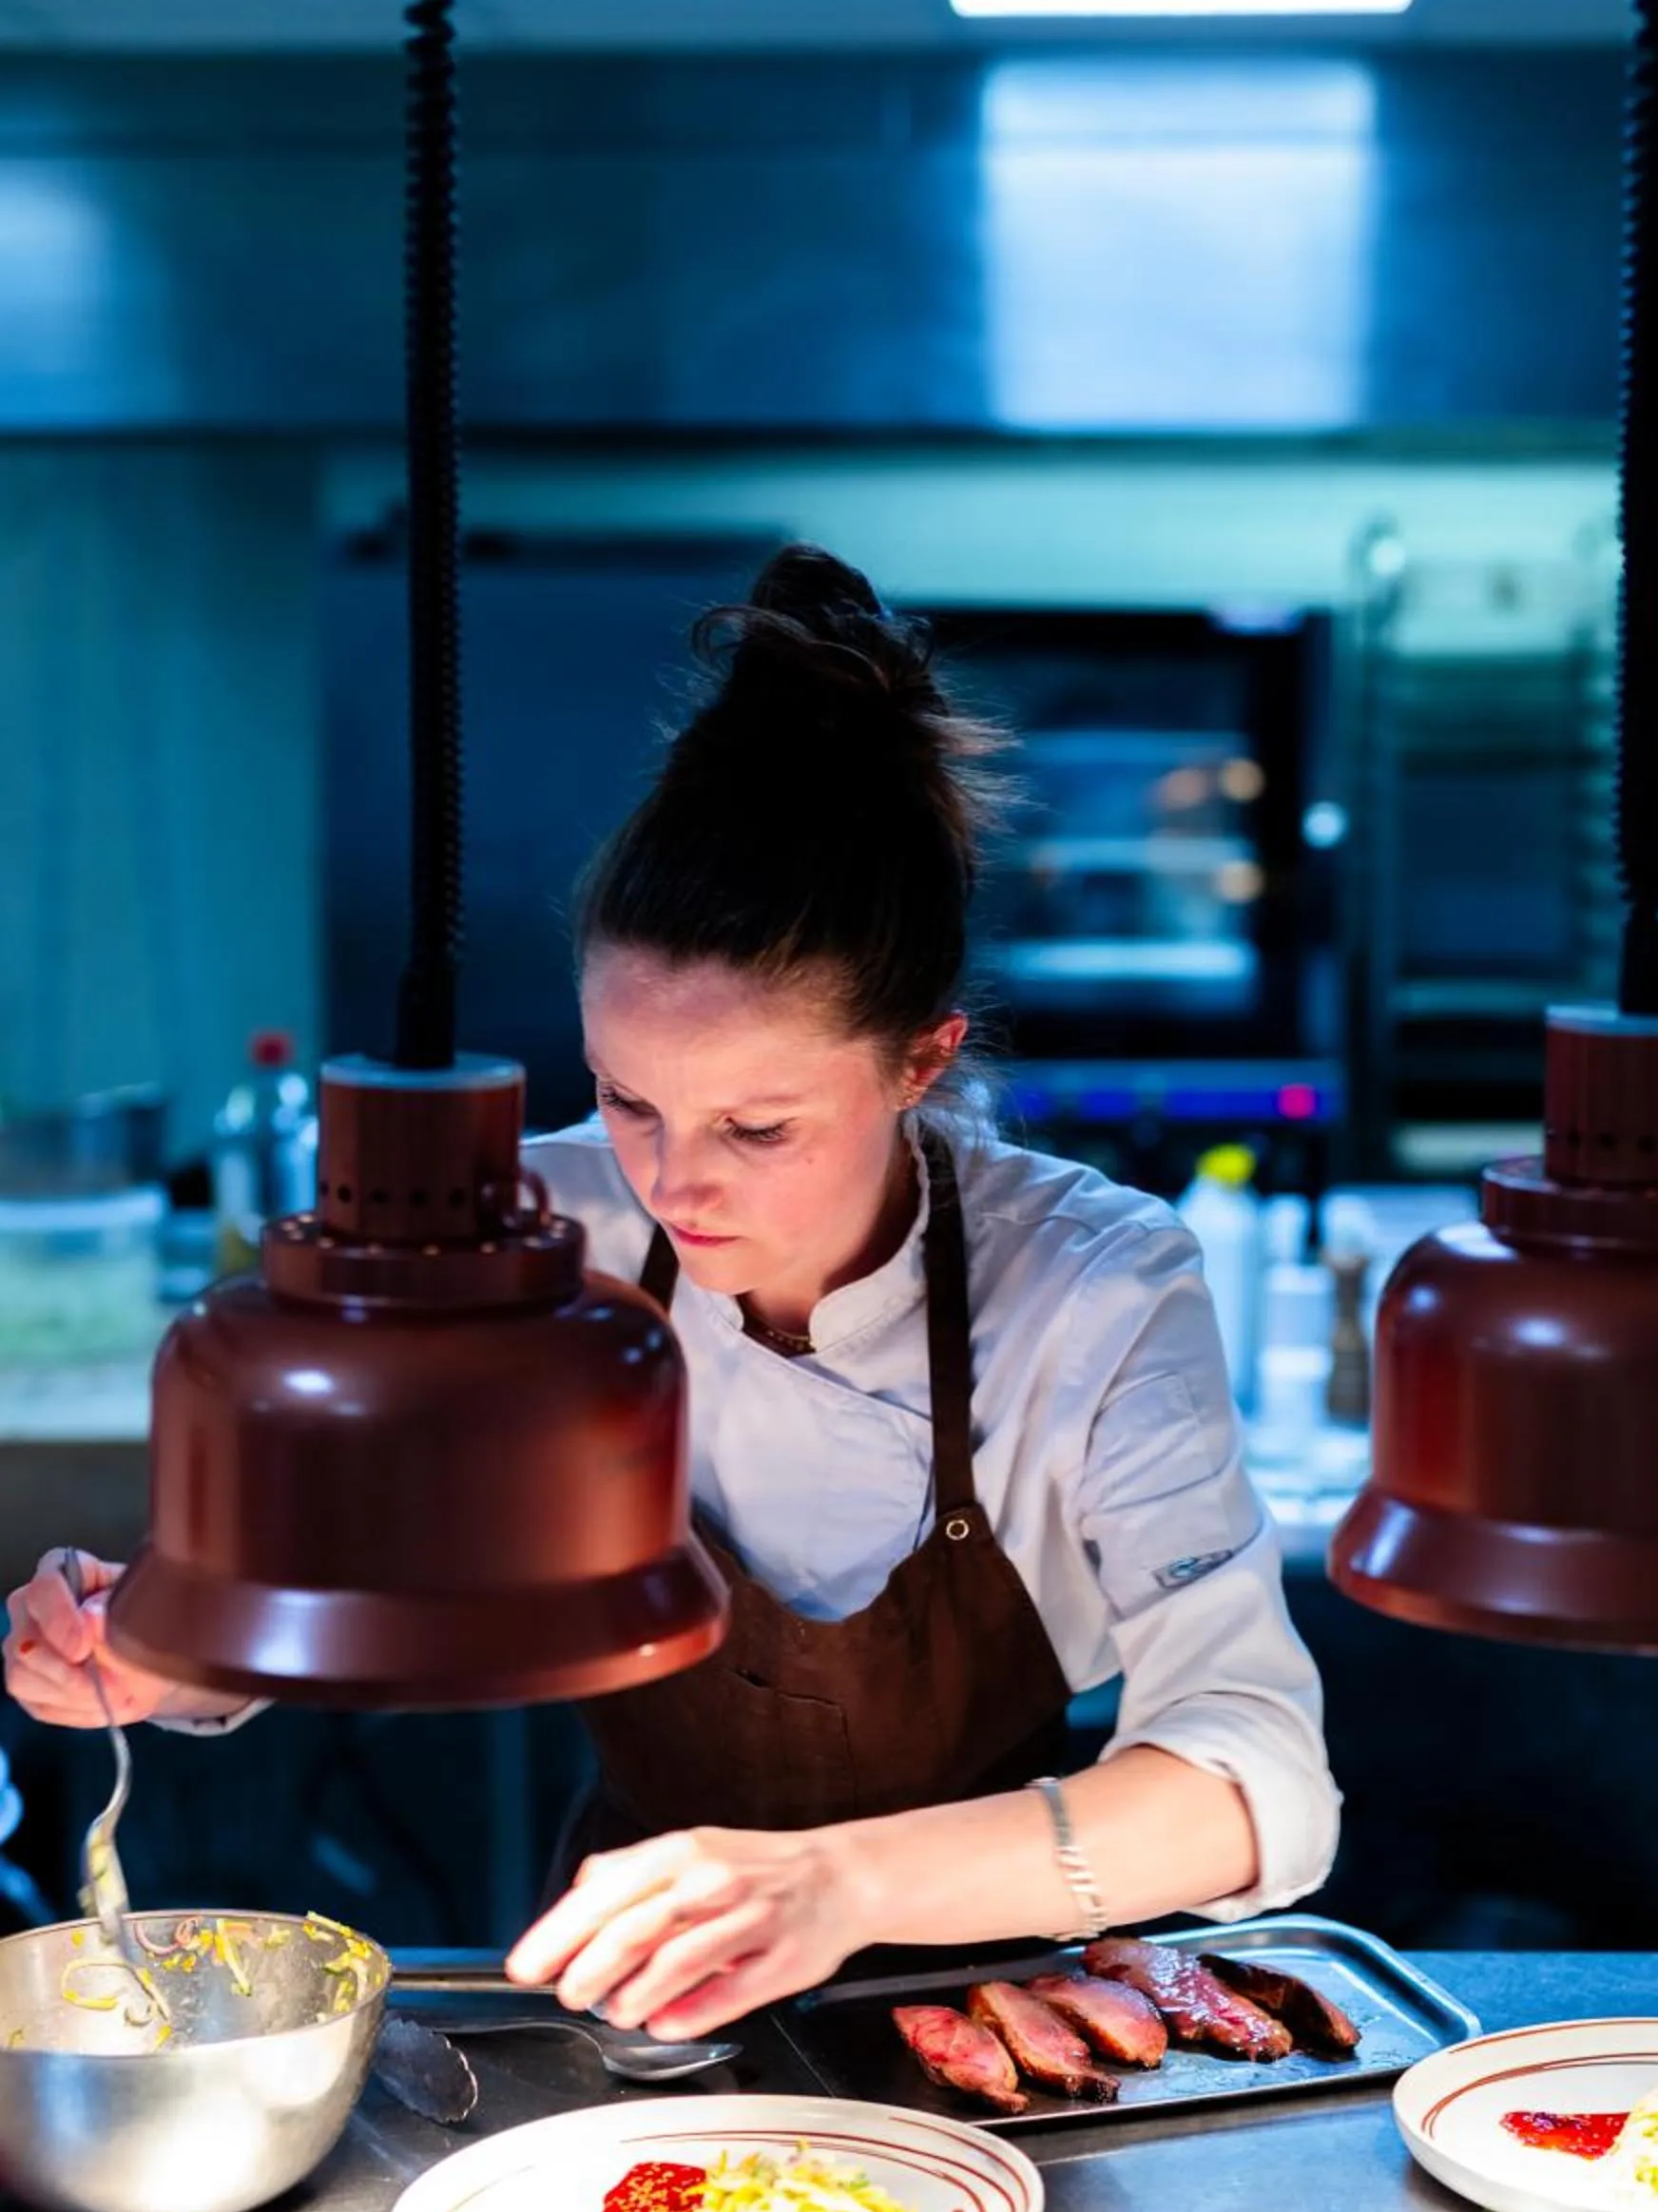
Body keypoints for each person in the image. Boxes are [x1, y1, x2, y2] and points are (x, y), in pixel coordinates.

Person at [3, 546, 1339, 2044]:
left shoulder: (1088, 1284)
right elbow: (338, 1561)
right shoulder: (541, 1222)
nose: (671, 1182)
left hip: (1003, 1987)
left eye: (756, 1128)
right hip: (638, 1988)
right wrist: (158, 1657)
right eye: (627, 1098)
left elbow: (1259, 1780)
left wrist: (836, 1885)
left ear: (924, 1061)